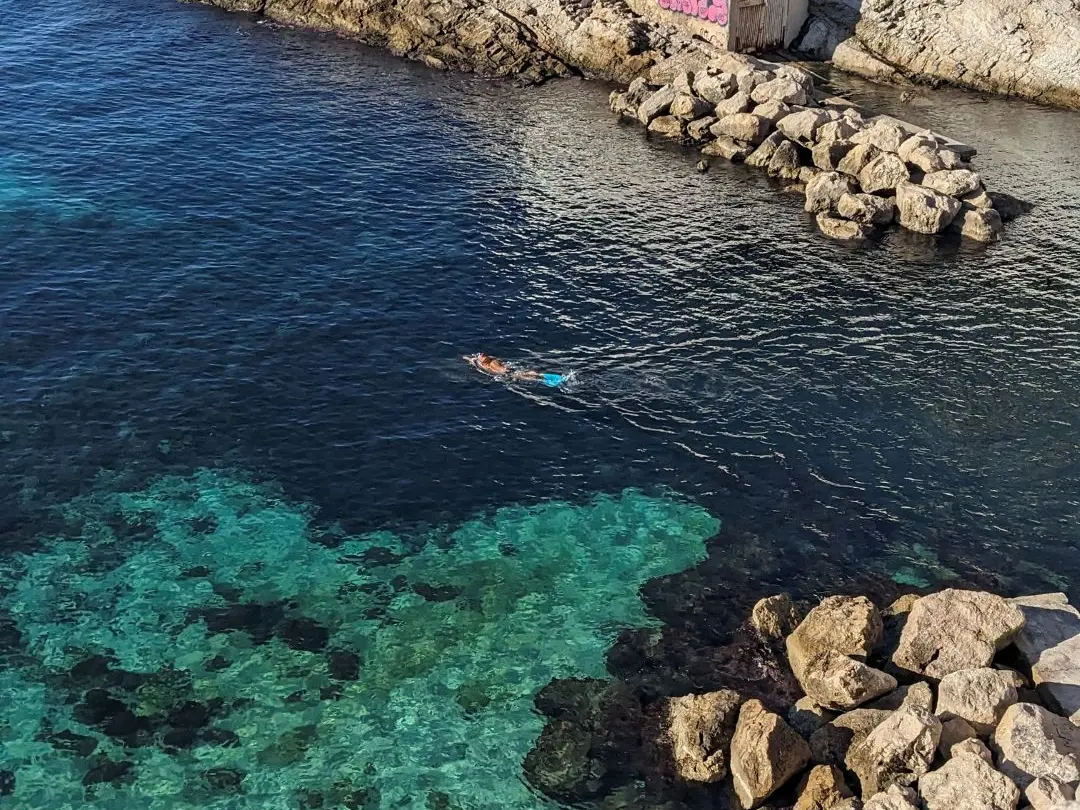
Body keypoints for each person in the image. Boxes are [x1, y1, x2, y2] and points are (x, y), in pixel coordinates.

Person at [463, 353, 564, 387]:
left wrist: (472, 359)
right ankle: (543, 377)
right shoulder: (493, 361)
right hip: (507, 370)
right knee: (526, 374)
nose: (481, 355)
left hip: (505, 373)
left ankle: (543, 380)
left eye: (482, 355)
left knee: (526, 377)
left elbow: (471, 360)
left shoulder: (488, 365)